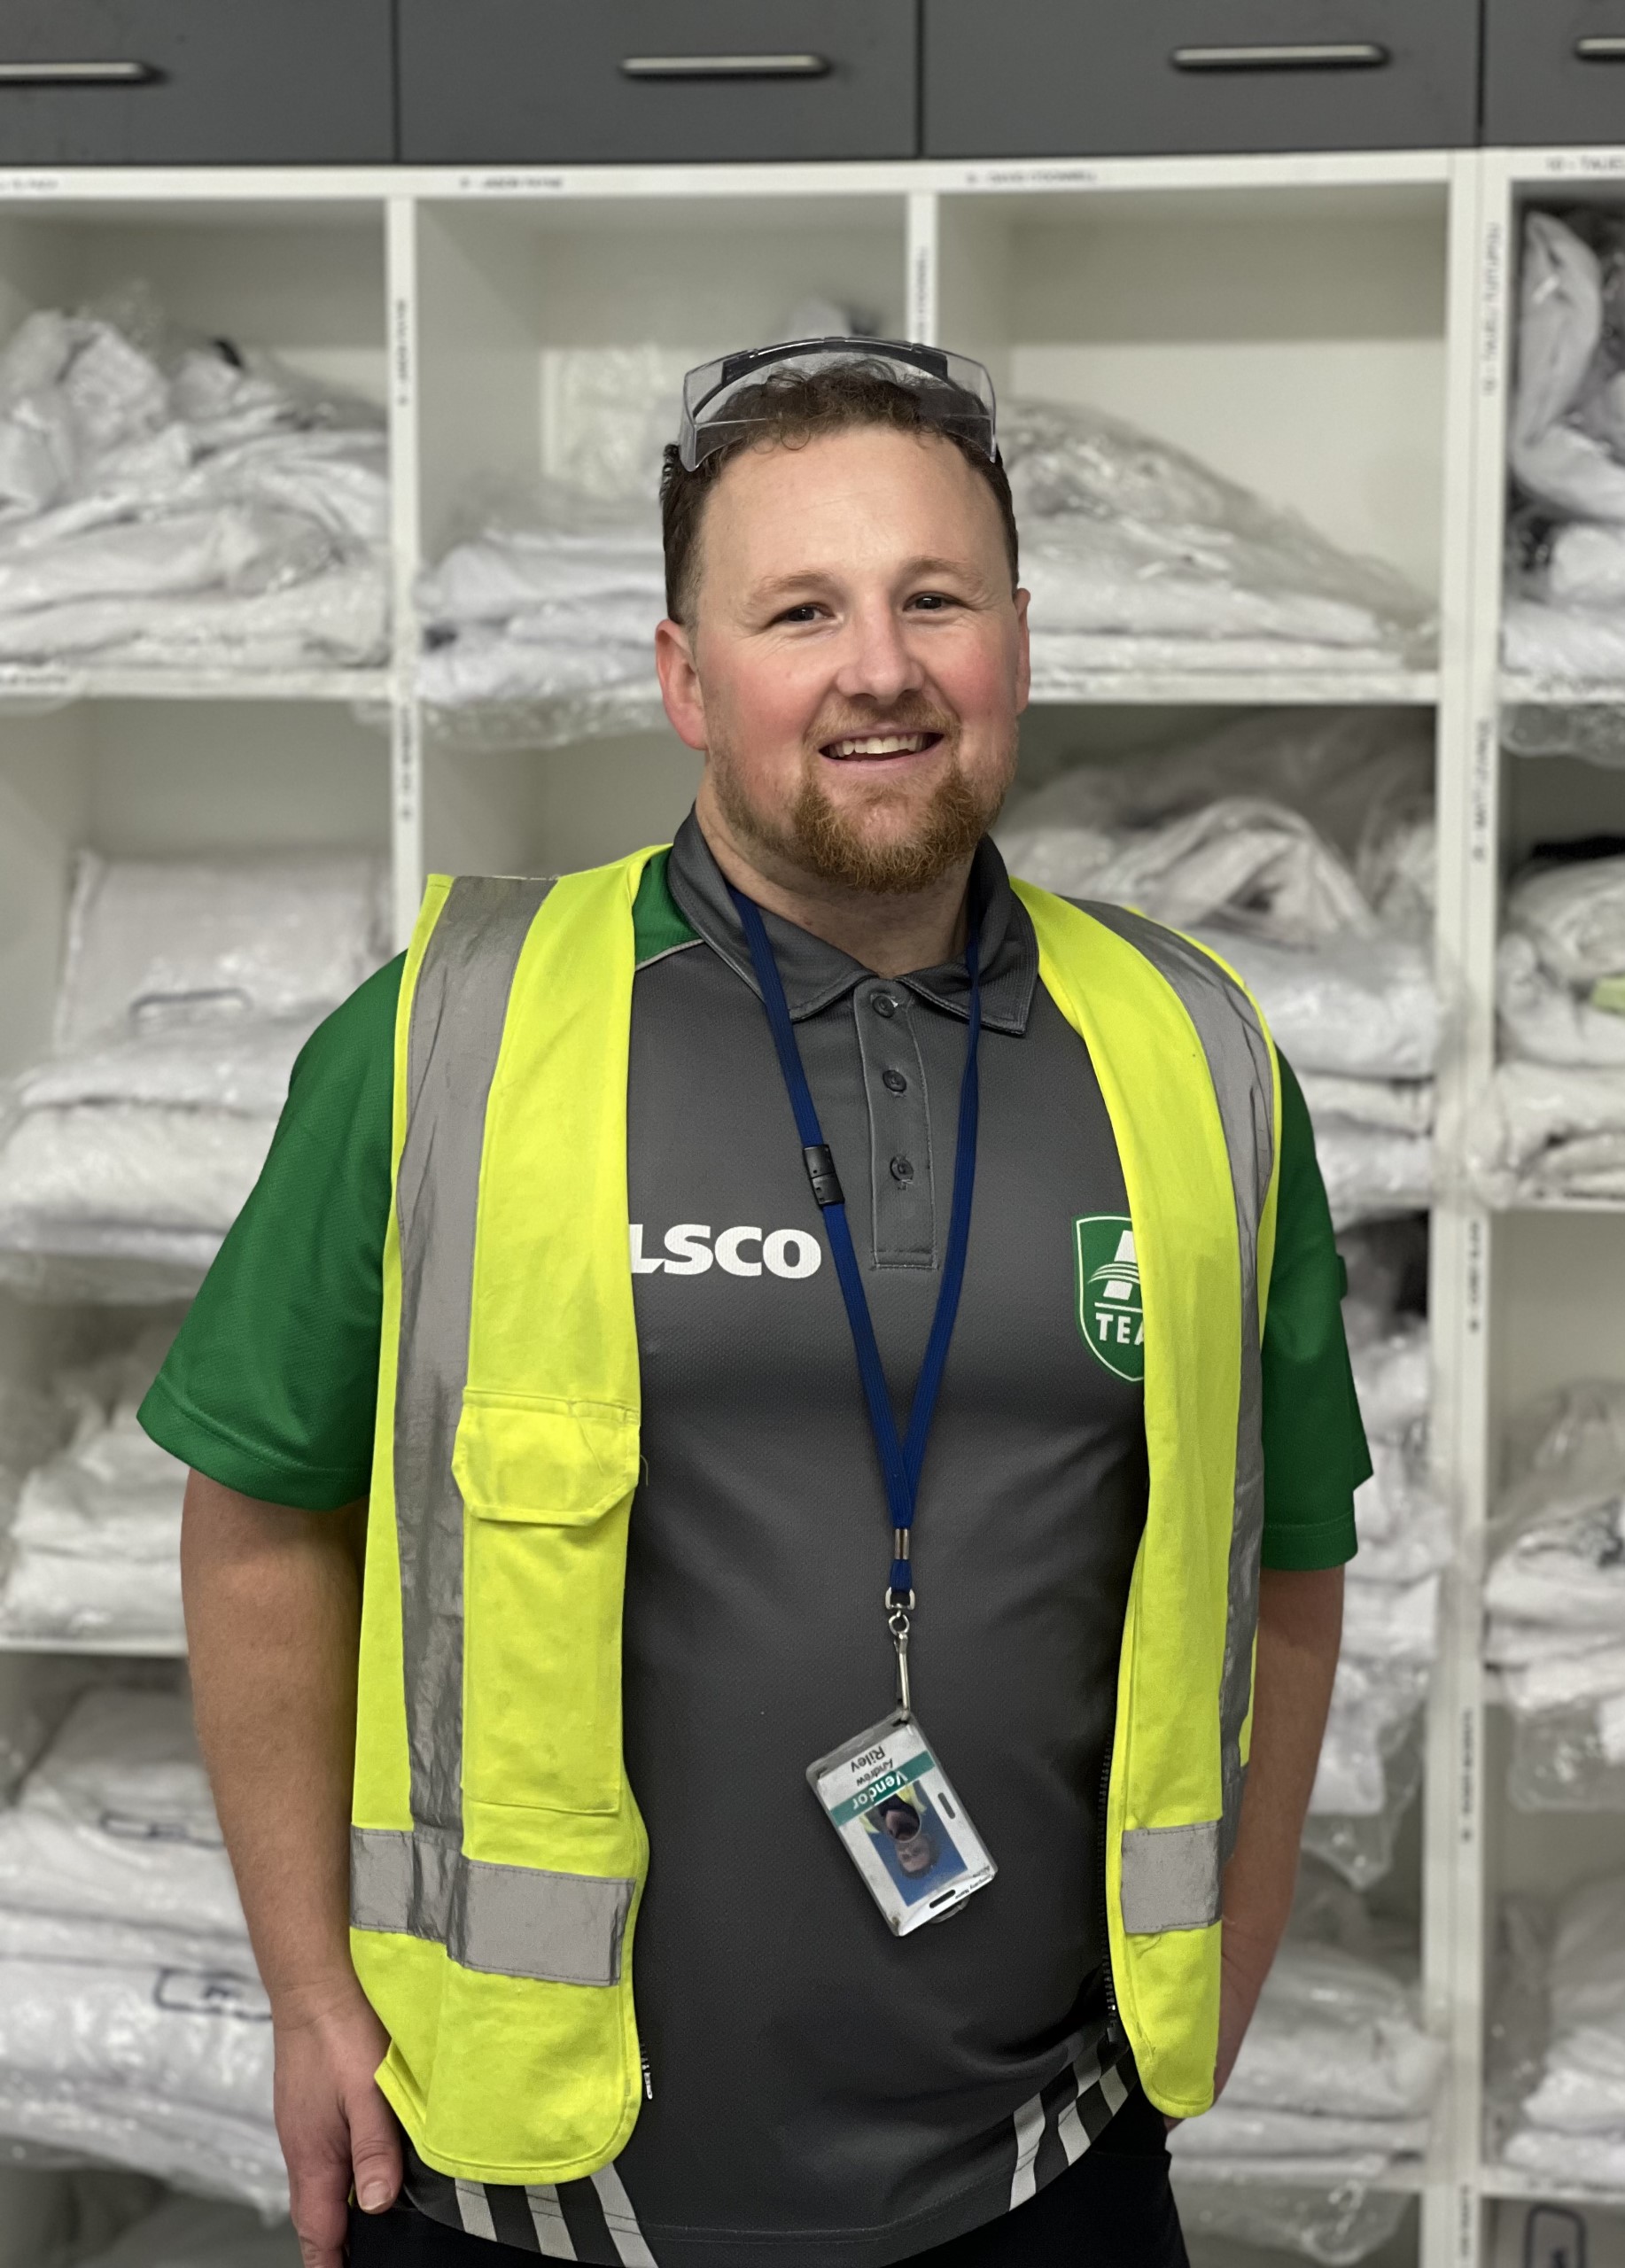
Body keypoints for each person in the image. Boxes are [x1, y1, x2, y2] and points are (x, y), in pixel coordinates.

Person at [141, 339, 1369, 2268]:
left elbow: (1285, 1549)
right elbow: (260, 1511)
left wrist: (1236, 1938)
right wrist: (307, 1987)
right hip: (521, 2184)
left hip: (1045, 2173)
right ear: (685, 676)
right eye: (801, 608)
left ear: (1017, 645)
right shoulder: (450, 1035)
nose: (878, 665)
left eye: (934, 599)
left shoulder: (1198, 1054)